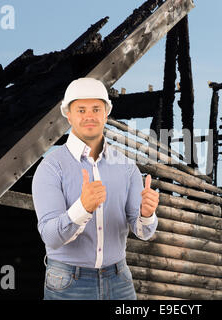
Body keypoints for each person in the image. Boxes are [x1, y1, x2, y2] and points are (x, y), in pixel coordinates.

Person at [32, 77, 159, 300]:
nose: (89, 116)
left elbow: (144, 232)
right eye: (81, 109)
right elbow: (50, 236)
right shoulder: (51, 167)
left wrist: (146, 216)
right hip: (67, 282)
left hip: (119, 280)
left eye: (96, 109)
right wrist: (82, 208)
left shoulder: (127, 168)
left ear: (106, 113)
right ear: (68, 114)